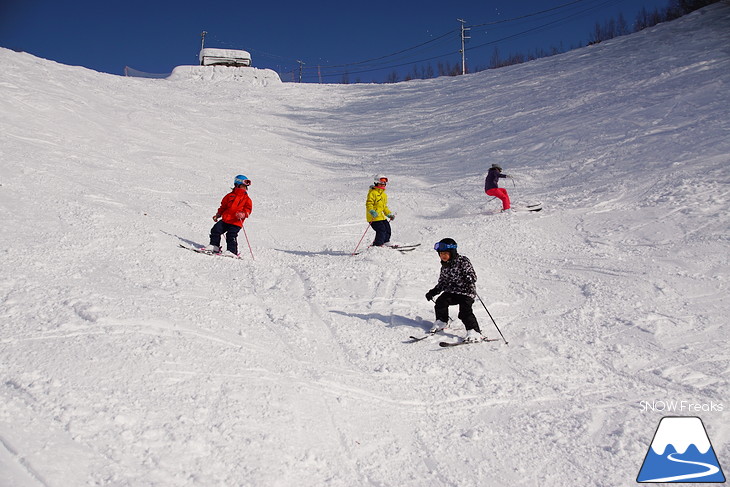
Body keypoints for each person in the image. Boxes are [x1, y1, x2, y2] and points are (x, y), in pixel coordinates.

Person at [425, 238, 484, 343]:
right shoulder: (444, 267)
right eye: (441, 253)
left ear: (452, 252)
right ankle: (442, 321)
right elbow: (442, 283)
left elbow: (473, 276)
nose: (443, 256)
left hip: (466, 292)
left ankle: (474, 331)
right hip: (452, 292)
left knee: (465, 312)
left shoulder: (463, 261)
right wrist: (433, 292)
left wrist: (468, 278)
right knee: (441, 302)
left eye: (445, 253)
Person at [205, 174, 253, 257]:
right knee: (215, 230)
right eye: (243, 186)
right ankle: (214, 246)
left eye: (246, 187)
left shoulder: (247, 199)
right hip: (225, 220)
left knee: (231, 235)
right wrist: (218, 214)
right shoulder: (229, 196)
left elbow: (248, 210)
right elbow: (223, 207)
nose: (244, 188)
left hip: (236, 222)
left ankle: (232, 251)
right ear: (237, 185)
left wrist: (243, 214)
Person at [366, 174, 396, 247]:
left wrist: (389, 214)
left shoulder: (384, 195)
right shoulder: (372, 193)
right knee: (381, 229)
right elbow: (369, 204)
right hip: (373, 217)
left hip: (381, 217)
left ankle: (386, 241)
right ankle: (378, 244)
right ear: (376, 182)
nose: (383, 184)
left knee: (387, 227)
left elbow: (384, 207)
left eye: (384, 182)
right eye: (381, 182)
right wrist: (372, 211)